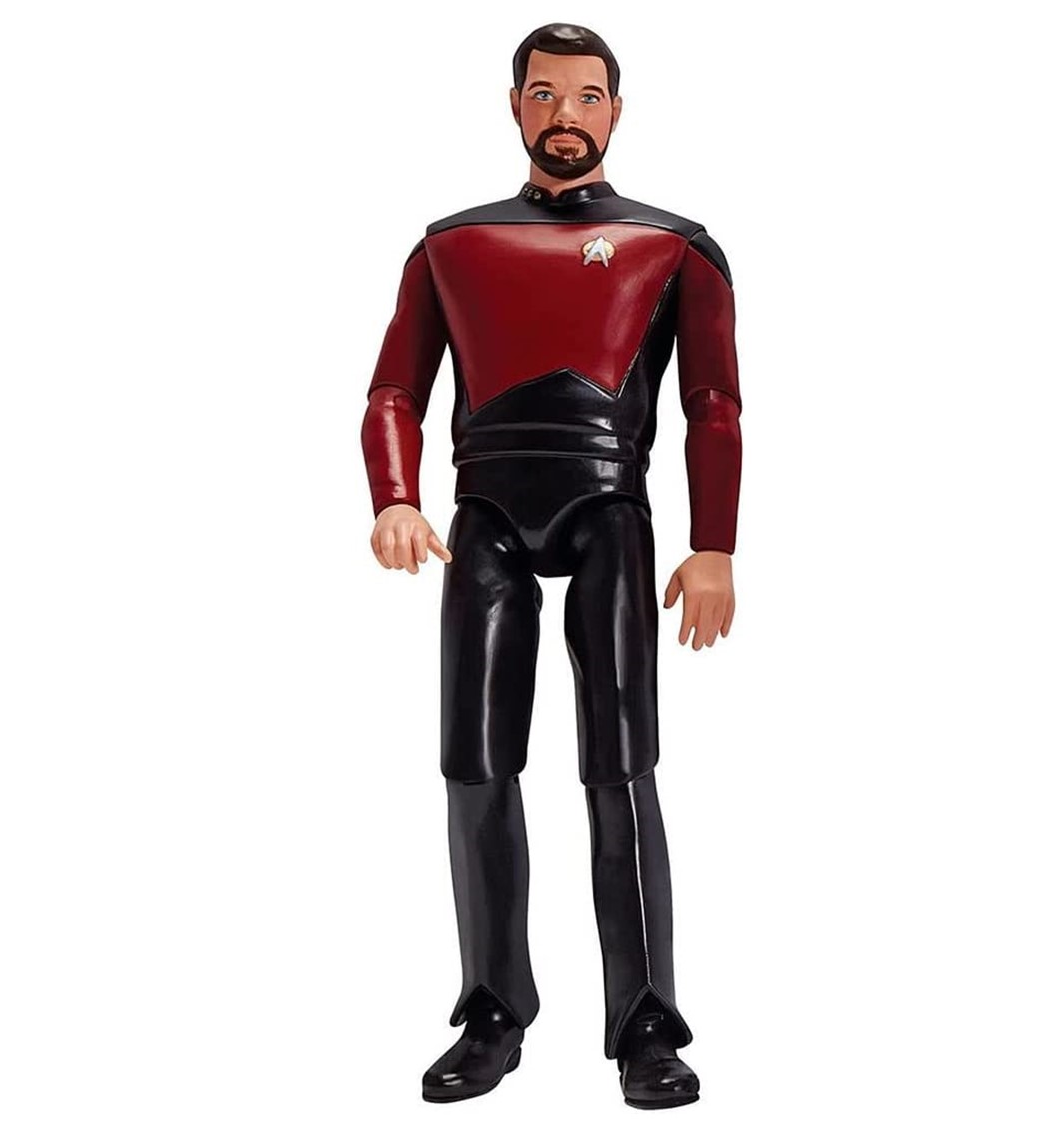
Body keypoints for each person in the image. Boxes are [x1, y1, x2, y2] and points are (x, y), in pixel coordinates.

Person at [360, 22, 742, 1109]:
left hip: (609, 509)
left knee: (620, 763)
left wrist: (714, 545)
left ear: (616, 111)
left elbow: (714, 404)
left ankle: (646, 1023)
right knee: (474, 762)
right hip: (484, 512)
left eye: (586, 95)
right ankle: (493, 1007)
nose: (564, 114)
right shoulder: (451, 244)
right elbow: (394, 390)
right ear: (515, 104)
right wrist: (395, 496)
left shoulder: (674, 244)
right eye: (543, 93)